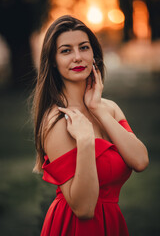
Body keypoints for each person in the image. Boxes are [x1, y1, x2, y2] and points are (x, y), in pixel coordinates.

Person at [32, 15, 149, 236]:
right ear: (53, 62)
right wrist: (85, 140)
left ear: (93, 54)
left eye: (83, 47)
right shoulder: (56, 122)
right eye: (66, 51)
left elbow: (141, 160)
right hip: (74, 227)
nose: (78, 57)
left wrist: (98, 110)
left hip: (112, 223)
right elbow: (84, 209)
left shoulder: (109, 109)